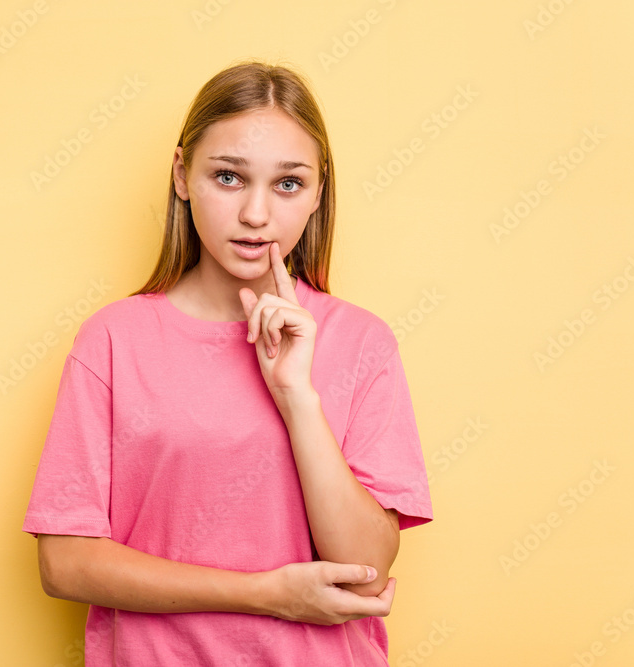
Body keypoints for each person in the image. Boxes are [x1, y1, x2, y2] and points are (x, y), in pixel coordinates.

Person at [22, 59, 433, 666]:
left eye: (288, 183)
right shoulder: (113, 338)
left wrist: (297, 396)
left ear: (319, 192)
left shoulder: (361, 342)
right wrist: (265, 595)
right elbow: (66, 563)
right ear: (183, 175)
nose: (257, 215)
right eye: (229, 177)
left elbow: (366, 571)